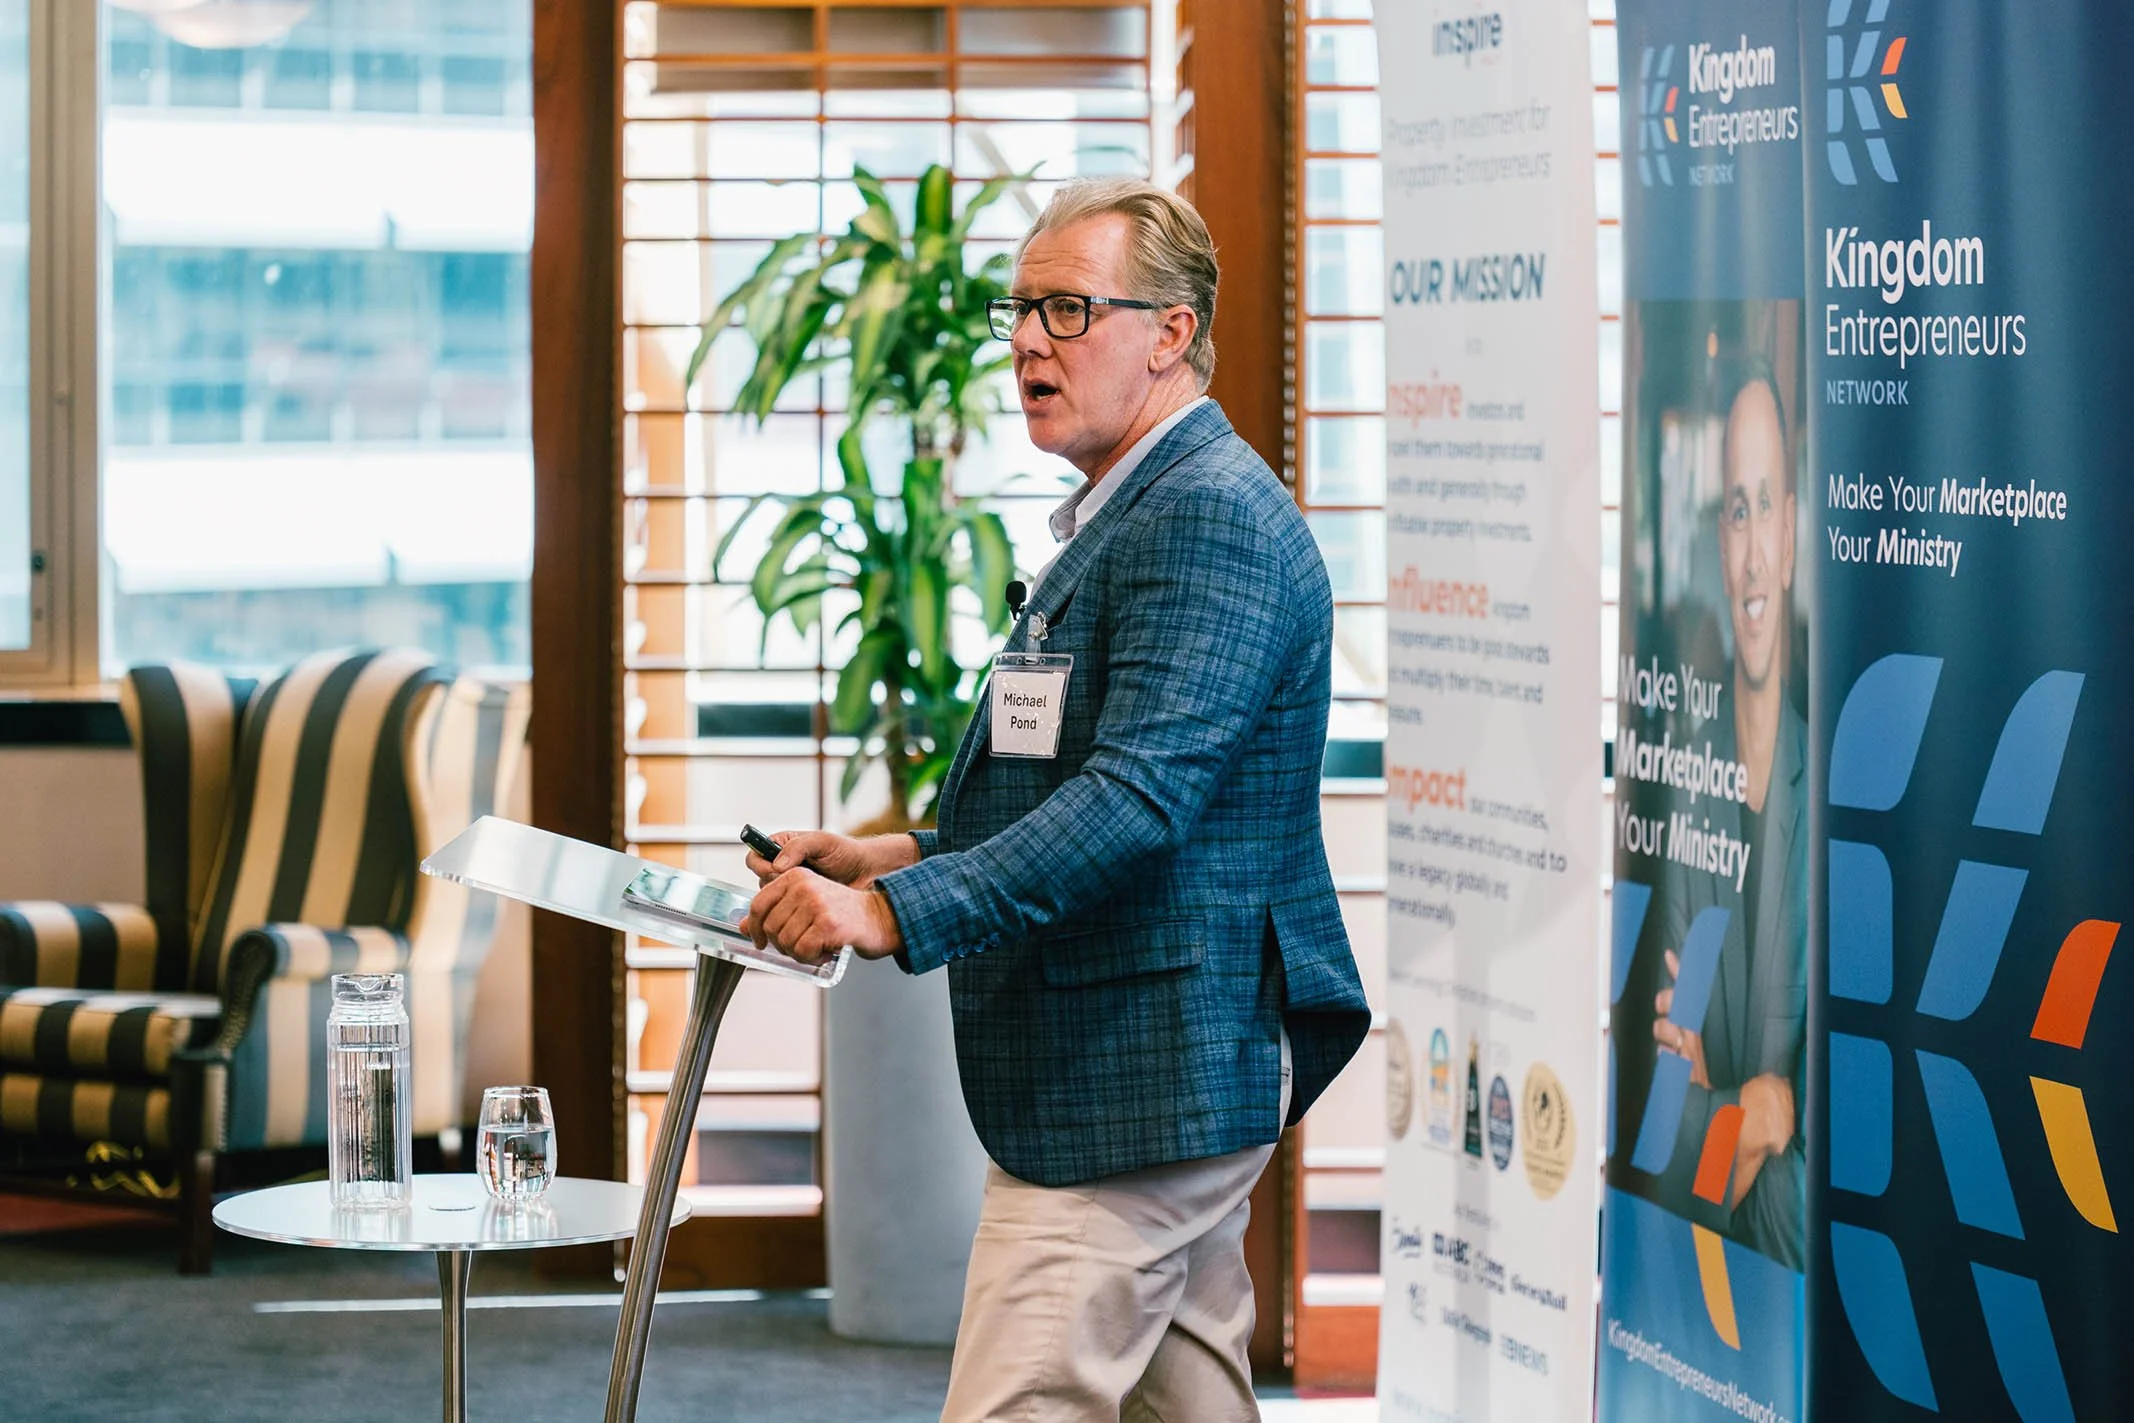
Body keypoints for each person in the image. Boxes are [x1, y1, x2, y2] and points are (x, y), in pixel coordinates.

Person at [739, 178, 1371, 1421]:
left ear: (1173, 331)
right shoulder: (1129, 507)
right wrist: (889, 852)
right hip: (1150, 1070)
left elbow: (1137, 803)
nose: (1028, 340)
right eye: (1020, 309)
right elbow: (1075, 772)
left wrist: (893, 914)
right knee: (1186, 1398)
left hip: (1141, 1078)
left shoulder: (1206, 521)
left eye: (1069, 309)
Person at [1652, 366, 1807, 1270]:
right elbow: (1672, 1127)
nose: (1752, 555)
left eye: (1767, 510)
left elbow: (1809, 1190)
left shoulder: (1829, 792)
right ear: (1722, 540)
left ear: (1792, 535)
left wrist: (1722, 1127)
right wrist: (1760, 1117)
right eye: (1735, 513)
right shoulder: (1689, 779)